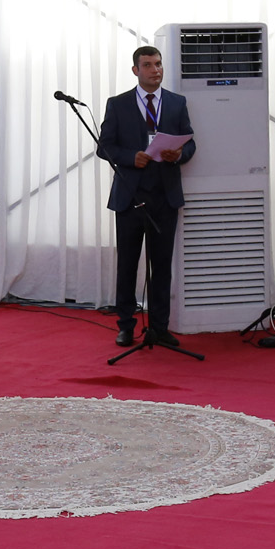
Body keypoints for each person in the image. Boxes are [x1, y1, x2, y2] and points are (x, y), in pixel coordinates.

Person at [97, 45, 197, 348]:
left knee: (162, 266)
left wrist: (179, 154)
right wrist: (131, 157)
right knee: (127, 264)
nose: (156, 70)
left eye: (159, 64)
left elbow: (191, 143)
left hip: (165, 197)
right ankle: (126, 326)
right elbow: (104, 147)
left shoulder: (177, 103)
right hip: (130, 197)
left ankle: (159, 327)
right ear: (135, 70)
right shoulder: (118, 104)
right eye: (149, 65)